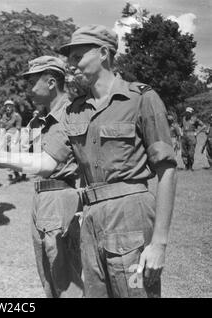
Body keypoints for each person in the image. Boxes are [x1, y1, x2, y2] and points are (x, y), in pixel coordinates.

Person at [57, 24, 177, 297]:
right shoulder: (75, 110)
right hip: (90, 222)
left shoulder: (141, 99)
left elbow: (167, 171)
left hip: (131, 219)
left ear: (102, 53)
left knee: (136, 292)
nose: (71, 66)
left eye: (77, 57)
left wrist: (159, 244)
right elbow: (53, 158)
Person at [0, 56, 84, 297]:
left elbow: (44, 165)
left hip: (61, 197)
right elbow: (20, 152)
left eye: (31, 82)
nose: (27, 89)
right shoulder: (39, 120)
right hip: (41, 198)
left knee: (67, 281)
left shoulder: (70, 113)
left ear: (50, 82)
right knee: (48, 278)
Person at [0, 100, 24, 182]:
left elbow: (18, 129)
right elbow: (2, 128)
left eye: (10, 106)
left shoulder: (17, 116)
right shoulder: (4, 116)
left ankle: (20, 174)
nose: (8, 108)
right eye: (6, 106)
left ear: (13, 107)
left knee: (15, 156)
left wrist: (15, 142)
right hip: (6, 137)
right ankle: (10, 174)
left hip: (14, 137)